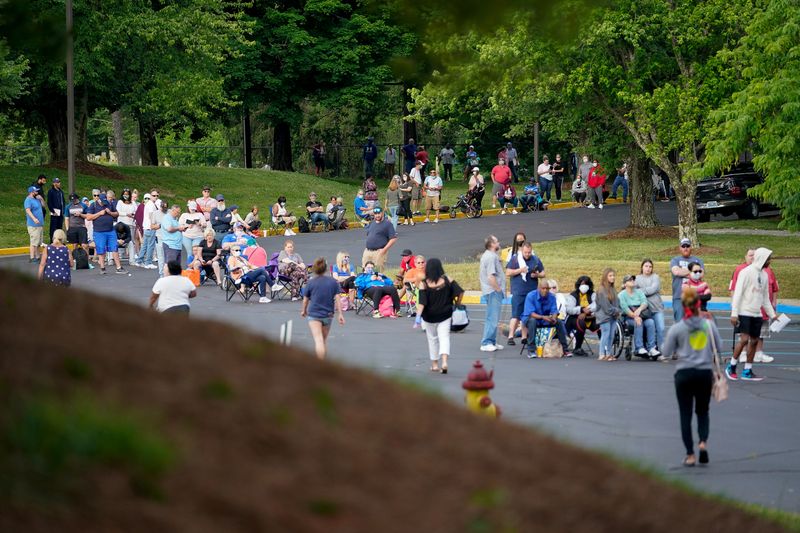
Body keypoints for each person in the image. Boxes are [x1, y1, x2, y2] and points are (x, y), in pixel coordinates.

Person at [661, 286, 721, 467]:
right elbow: (719, 346)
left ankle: (690, 454)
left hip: (684, 373)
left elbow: (665, 351)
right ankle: (703, 442)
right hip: (704, 372)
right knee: (703, 411)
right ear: (698, 304)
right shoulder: (708, 325)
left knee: (685, 414)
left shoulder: (678, 328)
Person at [727, 247, 777, 382]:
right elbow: (737, 293)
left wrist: (772, 315)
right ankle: (731, 366)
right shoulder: (745, 272)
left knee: (754, 341)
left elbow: (765, 298)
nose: (770, 261)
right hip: (744, 311)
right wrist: (734, 313)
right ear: (762, 258)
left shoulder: (765, 275)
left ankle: (747, 370)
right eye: (768, 259)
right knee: (744, 340)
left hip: (757, 314)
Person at [418, 258, 464, 373]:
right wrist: (458, 303)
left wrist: (418, 317)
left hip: (429, 316)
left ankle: (434, 364)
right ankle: (444, 362)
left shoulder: (424, 284)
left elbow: (422, 303)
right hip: (445, 314)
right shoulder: (447, 279)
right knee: (444, 338)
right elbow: (460, 291)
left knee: (432, 339)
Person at [301, 257, 345, 359]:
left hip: (314, 314)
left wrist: (304, 310)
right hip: (328, 314)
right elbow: (338, 298)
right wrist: (340, 314)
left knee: (318, 340)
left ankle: (320, 364)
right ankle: (323, 362)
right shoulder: (333, 282)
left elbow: (305, 299)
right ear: (325, 269)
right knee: (324, 340)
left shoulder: (311, 282)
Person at [505, 242, 545, 346]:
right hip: (519, 291)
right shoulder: (515, 259)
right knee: (516, 315)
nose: (527, 254)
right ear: (522, 251)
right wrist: (520, 270)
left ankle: (524, 337)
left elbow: (543, 273)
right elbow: (508, 272)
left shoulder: (535, 259)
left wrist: (537, 275)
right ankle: (510, 336)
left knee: (527, 315)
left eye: (529, 252)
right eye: (526, 252)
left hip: (531, 292)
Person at [520, 282, 572, 357]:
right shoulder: (531, 295)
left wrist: (553, 317)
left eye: (547, 289)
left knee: (559, 322)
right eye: (543, 288)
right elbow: (531, 313)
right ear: (538, 288)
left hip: (545, 319)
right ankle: (531, 350)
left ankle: (565, 349)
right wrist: (543, 317)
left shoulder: (551, 296)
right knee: (532, 321)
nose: (545, 290)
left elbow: (554, 310)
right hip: (531, 318)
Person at [618, 274, 659, 358]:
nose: (632, 281)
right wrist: (635, 316)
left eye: (633, 279)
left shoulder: (639, 292)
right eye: (630, 280)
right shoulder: (621, 295)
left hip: (642, 314)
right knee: (638, 322)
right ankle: (639, 348)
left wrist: (639, 309)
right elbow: (625, 308)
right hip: (628, 317)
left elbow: (644, 302)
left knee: (650, 322)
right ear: (625, 284)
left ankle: (651, 347)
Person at [86, 193, 126, 274]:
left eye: (105, 201)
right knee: (101, 249)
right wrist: (99, 213)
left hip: (110, 230)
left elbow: (117, 214)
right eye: (102, 202)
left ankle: (119, 267)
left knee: (114, 247)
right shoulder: (93, 205)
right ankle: (102, 268)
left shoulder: (109, 204)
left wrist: (110, 212)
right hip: (99, 232)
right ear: (98, 199)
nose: (104, 203)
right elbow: (88, 217)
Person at [479, 235, 505, 352]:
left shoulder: (492, 256)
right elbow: (491, 276)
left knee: (493, 316)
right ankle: (487, 342)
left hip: (492, 290)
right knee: (492, 317)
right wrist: (498, 289)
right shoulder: (490, 257)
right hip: (493, 291)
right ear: (492, 244)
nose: (498, 242)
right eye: (496, 241)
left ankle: (492, 341)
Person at [636, 259, 666, 357]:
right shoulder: (637, 278)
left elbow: (653, 289)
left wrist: (640, 291)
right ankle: (649, 348)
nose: (648, 268)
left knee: (660, 329)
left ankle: (661, 351)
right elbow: (632, 290)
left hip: (657, 308)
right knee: (649, 329)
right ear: (642, 267)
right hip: (645, 310)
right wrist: (641, 291)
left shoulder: (655, 277)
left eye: (650, 266)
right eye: (646, 266)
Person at [670, 238, 705, 322]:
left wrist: (683, 270)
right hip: (679, 297)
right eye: (683, 246)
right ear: (680, 248)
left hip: (695, 297)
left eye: (687, 246)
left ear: (691, 247)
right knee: (680, 323)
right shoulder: (675, 260)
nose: (685, 248)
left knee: (694, 325)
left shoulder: (698, 260)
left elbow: (701, 274)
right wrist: (693, 271)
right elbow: (676, 272)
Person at [565, 275, 600, 356]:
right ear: (578, 285)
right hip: (574, 319)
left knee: (601, 323)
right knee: (581, 323)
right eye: (582, 284)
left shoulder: (592, 294)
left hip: (589, 317)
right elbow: (569, 309)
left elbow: (597, 305)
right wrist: (581, 309)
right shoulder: (573, 295)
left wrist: (586, 311)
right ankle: (577, 347)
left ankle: (604, 347)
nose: (584, 286)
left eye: (586, 284)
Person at [362, 207, 397, 271]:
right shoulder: (372, 223)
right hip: (368, 251)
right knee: (365, 270)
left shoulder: (388, 224)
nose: (377, 215)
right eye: (375, 214)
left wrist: (384, 250)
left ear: (382, 213)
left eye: (379, 213)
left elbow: (393, 239)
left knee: (377, 271)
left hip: (379, 252)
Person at [595, 268, 620, 360]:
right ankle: (602, 353)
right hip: (604, 316)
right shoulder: (601, 290)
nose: (613, 277)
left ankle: (609, 353)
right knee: (606, 334)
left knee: (611, 335)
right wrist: (616, 311)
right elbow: (606, 307)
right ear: (605, 277)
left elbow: (617, 302)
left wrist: (618, 311)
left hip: (613, 316)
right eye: (610, 276)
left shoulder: (613, 289)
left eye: (613, 275)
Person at [136, 189, 159, 268]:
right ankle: (148, 262)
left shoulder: (149, 204)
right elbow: (151, 216)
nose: (155, 197)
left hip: (146, 227)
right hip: (150, 227)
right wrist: (156, 224)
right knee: (150, 245)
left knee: (145, 245)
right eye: (153, 195)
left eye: (157, 196)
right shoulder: (151, 205)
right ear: (150, 195)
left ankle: (139, 260)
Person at [179, 200, 207, 266]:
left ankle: (196, 266)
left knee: (196, 252)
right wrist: (187, 226)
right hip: (187, 236)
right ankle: (189, 267)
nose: (192, 210)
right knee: (190, 252)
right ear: (188, 208)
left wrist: (200, 224)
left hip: (198, 236)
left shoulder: (199, 214)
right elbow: (180, 225)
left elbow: (205, 224)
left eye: (194, 209)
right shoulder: (184, 215)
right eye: (191, 209)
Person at [160, 204, 186, 274]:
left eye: (179, 212)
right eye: (177, 212)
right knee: (169, 264)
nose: (178, 214)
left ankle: (174, 280)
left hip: (177, 245)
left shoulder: (175, 219)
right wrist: (178, 228)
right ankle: (166, 279)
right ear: (173, 210)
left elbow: (176, 229)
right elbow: (169, 229)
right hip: (170, 245)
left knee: (176, 265)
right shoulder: (167, 218)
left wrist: (182, 228)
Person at [114, 188, 137, 264]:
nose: (126, 196)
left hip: (130, 224)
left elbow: (135, 211)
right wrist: (126, 214)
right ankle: (119, 255)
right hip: (121, 224)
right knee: (119, 239)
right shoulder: (120, 202)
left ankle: (132, 259)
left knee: (131, 241)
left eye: (127, 194)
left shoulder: (133, 203)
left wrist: (132, 215)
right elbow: (118, 212)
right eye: (124, 194)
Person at [66, 193, 90, 260]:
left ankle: (86, 259)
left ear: (77, 199)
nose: (73, 201)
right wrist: (68, 228)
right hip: (72, 227)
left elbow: (88, 215)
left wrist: (80, 214)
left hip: (81, 226)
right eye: (72, 200)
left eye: (74, 199)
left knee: (84, 245)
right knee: (74, 245)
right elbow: (66, 218)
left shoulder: (83, 206)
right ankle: (75, 259)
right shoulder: (68, 206)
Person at [24, 185, 45, 263]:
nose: (37, 192)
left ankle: (38, 257)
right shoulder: (28, 200)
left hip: (40, 224)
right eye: (36, 191)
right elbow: (28, 210)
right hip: (33, 224)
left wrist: (41, 199)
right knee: (34, 242)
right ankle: (32, 257)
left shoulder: (37, 199)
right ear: (31, 192)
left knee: (39, 242)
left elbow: (43, 206)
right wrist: (34, 218)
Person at [46, 177, 65, 243]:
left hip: (61, 212)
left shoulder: (61, 191)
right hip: (55, 212)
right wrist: (52, 211)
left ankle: (59, 241)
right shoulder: (51, 191)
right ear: (54, 183)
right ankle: (52, 241)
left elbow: (63, 202)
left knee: (59, 227)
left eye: (59, 182)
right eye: (57, 182)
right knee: (53, 228)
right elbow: (49, 202)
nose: (58, 183)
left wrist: (63, 211)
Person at [152, 199, 168, 275]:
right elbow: (152, 226)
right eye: (163, 208)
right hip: (159, 237)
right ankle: (161, 274)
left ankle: (168, 274)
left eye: (166, 208)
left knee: (168, 257)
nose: (164, 210)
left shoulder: (170, 212)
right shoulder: (155, 213)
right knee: (161, 257)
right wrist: (159, 225)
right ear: (160, 207)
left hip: (169, 238)